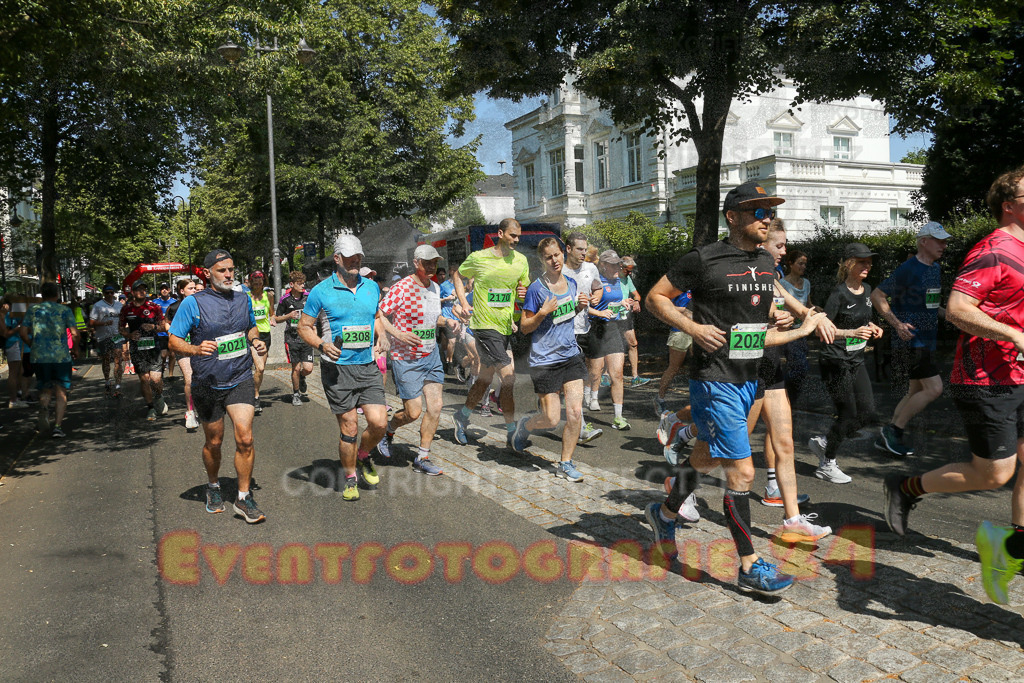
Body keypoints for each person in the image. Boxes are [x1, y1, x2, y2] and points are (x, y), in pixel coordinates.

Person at [642, 180, 828, 595]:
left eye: (770, 212)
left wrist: (782, 318)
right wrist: (691, 327)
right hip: (715, 378)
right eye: (758, 212)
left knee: (706, 454)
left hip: (751, 376)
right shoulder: (702, 259)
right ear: (733, 216)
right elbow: (655, 298)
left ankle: (665, 513)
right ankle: (749, 565)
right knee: (742, 471)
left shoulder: (765, 261)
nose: (767, 219)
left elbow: (754, 318)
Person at [884, 166, 1024, 605]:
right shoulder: (994, 250)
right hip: (987, 379)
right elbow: (959, 308)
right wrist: (1014, 335)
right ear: (1009, 204)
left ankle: (1012, 548)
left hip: (1022, 375)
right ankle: (905, 488)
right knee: (996, 473)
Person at [748, 219, 833, 542]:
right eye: (779, 245)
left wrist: (843, 328)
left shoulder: (774, 278)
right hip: (746, 370)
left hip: (772, 369)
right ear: (762, 245)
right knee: (725, 450)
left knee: (784, 443)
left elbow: (803, 312)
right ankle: (682, 490)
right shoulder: (748, 276)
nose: (784, 251)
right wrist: (775, 318)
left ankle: (793, 519)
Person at [169, 250, 266, 523]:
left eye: (231, 269)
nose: (228, 274)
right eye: (222, 270)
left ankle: (243, 498)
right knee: (214, 441)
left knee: (245, 437)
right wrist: (195, 349)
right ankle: (213, 486)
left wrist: (255, 340)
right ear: (207, 273)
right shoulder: (193, 303)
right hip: (209, 381)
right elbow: (174, 341)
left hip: (239, 376)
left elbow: (251, 328)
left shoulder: (242, 298)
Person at [299, 234, 388, 501]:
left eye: (358, 258)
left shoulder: (371, 287)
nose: (355, 262)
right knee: (349, 427)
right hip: (337, 369)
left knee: (379, 423)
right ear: (337, 259)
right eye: (350, 259)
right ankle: (350, 478)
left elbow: (376, 317)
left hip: (367, 366)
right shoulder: (321, 291)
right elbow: (304, 327)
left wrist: (381, 335)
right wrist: (321, 345)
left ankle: (363, 455)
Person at [510, 237, 592, 481]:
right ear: (542, 260)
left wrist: (580, 306)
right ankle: (526, 425)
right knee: (551, 419)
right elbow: (524, 327)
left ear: (562, 254)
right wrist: (543, 312)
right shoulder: (537, 289)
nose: (554, 260)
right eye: (548, 257)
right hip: (545, 361)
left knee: (576, 413)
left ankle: (565, 463)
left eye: (557, 255)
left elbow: (568, 315)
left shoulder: (572, 283)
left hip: (570, 356)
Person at [871, 221, 951, 457]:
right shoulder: (908, 268)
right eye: (939, 240)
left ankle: (887, 437)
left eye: (945, 241)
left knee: (915, 391)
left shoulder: (934, 269)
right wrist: (896, 324)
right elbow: (877, 295)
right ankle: (893, 429)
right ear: (924, 241)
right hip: (911, 342)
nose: (944, 245)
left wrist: (957, 318)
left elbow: (932, 305)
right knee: (934, 388)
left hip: (927, 341)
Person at [451, 218, 530, 448]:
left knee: (485, 380)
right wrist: (464, 302)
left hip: (505, 327)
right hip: (484, 327)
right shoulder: (479, 258)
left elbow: (522, 290)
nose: (516, 240)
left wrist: (522, 295)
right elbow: (458, 275)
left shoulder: (521, 261)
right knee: (508, 376)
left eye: (518, 236)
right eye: (512, 235)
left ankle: (462, 416)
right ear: (500, 233)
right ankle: (513, 432)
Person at [809, 243, 885, 484]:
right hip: (834, 360)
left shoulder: (868, 289)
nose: (867, 266)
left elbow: (865, 319)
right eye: (862, 261)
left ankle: (826, 441)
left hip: (856, 360)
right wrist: (852, 332)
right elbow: (822, 331)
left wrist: (873, 327)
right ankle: (827, 462)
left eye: (869, 262)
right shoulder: (838, 294)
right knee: (848, 415)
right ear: (849, 264)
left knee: (868, 413)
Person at [375, 245, 448, 475]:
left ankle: (422, 458)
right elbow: (379, 314)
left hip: (431, 355)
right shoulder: (403, 287)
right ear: (416, 263)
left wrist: (450, 322)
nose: (431, 267)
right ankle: (388, 430)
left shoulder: (435, 287)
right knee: (413, 412)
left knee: (436, 407)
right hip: (405, 359)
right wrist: (398, 334)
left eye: (434, 263)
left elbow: (433, 319)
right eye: (427, 263)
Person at [18, 282, 79, 437]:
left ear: (42, 295)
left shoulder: (33, 310)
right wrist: (75, 349)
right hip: (61, 357)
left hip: (39, 356)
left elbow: (23, 333)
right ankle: (58, 426)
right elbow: (75, 333)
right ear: (57, 295)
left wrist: (33, 345)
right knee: (61, 391)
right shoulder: (64, 310)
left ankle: (44, 408)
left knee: (45, 388)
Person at [562, 232, 603, 444]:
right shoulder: (559, 270)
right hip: (565, 330)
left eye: (585, 249)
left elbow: (598, 288)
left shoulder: (590, 268)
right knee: (575, 378)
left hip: (586, 328)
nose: (583, 253)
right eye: (579, 249)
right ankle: (581, 428)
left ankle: (549, 397)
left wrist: (597, 295)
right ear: (568, 249)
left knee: (590, 372)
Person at [586, 250, 635, 430]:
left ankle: (618, 418)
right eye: (614, 265)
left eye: (618, 264)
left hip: (613, 328)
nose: (618, 268)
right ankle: (591, 395)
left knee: (618, 374)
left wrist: (623, 303)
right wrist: (599, 310)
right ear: (604, 265)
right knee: (595, 372)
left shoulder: (617, 281)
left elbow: (614, 303)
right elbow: (585, 306)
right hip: (596, 327)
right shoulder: (596, 281)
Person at [120, 281, 168, 421]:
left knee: (156, 379)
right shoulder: (126, 309)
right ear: (133, 292)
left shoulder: (154, 307)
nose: (142, 291)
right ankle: (151, 408)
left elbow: (163, 326)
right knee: (144, 379)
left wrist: (153, 327)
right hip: (137, 348)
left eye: (144, 289)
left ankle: (158, 396)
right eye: (138, 289)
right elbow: (120, 328)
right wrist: (129, 335)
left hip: (154, 348)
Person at [274, 271, 313, 406]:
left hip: (306, 337)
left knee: (308, 368)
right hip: (292, 338)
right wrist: (288, 316)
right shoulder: (285, 300)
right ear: (292, 284)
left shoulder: (308, 297)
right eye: (299, 283)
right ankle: (296, 394)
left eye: (303, 283)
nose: (303, 286)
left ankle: (302, 377)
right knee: (295, 368)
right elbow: (277, 318)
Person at [779, 250, 811, 406]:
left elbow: (808, 305)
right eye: (800, 263)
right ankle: (787, 399)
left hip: (802, 331)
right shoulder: (782, 284)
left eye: (805, 264)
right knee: (799, 367)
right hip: (788, 331)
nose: (803, 266)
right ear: (790, 264)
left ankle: (788, 399)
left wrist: (818, 312)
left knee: (799, 368)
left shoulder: (806, 283)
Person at [166, 279, 199, 429]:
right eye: (191, 288)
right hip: (183, 348)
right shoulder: (174, 307)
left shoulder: (202, 305)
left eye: (196, 288)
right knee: (190, 379)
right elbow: (166, 322)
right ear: (181, 291)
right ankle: (190, 412)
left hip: (200, 347)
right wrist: (173, 335)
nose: (194, 290)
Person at [654, 290, 692, 416]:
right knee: (674, 367)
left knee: (701, 367)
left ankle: (700, 402)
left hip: (701, 330)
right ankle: (660, 398)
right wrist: (684, 311)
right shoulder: (679, 286)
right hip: (680, 330)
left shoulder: (704, 283)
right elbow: (664, 306)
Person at [88, 284, 125, 397]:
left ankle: (118, 385)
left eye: (111, 292)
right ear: (103, 293)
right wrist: (104, 323)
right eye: (107, 292)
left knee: (118, 359)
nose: (109, 294)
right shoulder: (98, 306)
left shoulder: (119, 305)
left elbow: (123, 319)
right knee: (106, 360)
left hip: (116, 335)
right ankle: (107, 381)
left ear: (114, 293)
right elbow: (91, 323)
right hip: (103, 336)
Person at [618, 256, 650, 388]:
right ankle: (606, 376)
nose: (630, 273)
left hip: (626, 315)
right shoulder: (610, 278)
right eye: (627, 270)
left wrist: (636, 301)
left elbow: (636, 294)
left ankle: (635, 377)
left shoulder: (627, 278)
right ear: (620, 267)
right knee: (613, 346)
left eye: (631, 270)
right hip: (613, 315)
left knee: (633, 343)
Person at [246, 271, 275, 415]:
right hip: (250, 334)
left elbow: (272, 313)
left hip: (264, 334)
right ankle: (252, 396)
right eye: (255, 283)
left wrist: (274, 319)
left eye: (260, 282)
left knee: (261, 368)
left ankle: (255, 394)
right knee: (252, 367)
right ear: (250, 283)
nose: (258, 285)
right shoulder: (245, 297)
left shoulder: (268, 296)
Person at [1, 296, 29, 409]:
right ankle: (13, 400)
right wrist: (18, 327)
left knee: (19, 371)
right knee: (13, 372)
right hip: (12, 343)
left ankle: (16, 396)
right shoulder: (5, 315)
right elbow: (6, 333)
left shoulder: (9, 314)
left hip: (15, 343)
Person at [152, 282, 176, 379]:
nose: (164, 290)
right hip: (160, 332)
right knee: (163, 355)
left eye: (166, 288)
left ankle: (170, 374)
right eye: (162, 289)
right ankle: (160, 371)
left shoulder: (174, 301)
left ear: (169, 290)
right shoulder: (155, 302)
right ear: (160, 290)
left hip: (172, 332)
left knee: (173, 354)